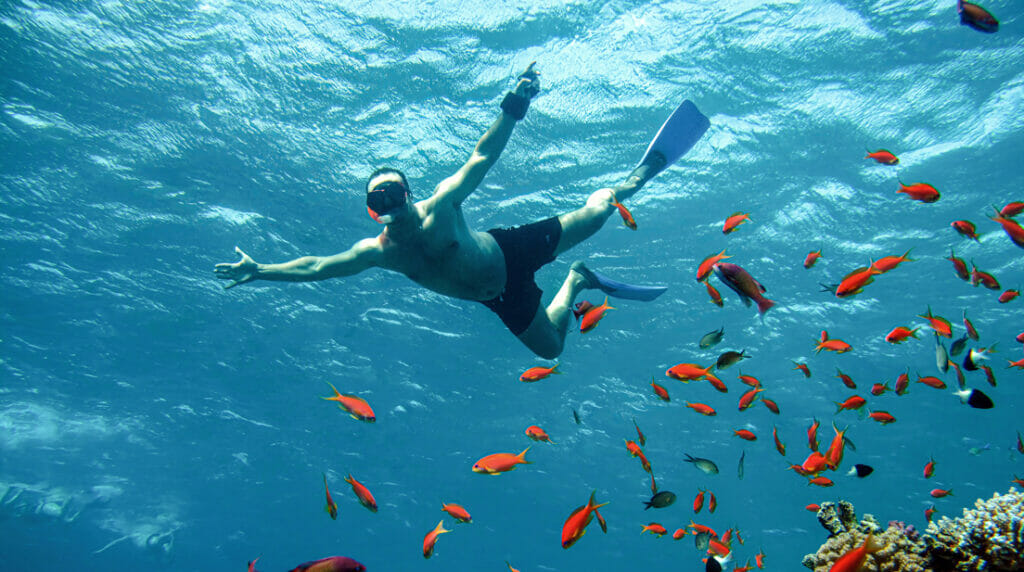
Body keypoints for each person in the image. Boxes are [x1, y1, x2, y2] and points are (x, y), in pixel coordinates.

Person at [215, 62, 707, 358]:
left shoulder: (443, 204)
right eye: (376, 200)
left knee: (598, 217)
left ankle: (636, 177)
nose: (387, 204)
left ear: (408, 193)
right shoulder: (379, 252)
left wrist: (514, 106)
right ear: (372, 211)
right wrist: (261, 271)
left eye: (393, 193)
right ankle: (577, 278)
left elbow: (481, 156)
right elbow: (319, 267)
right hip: (497, 298)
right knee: (553, 350)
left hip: (511, 251)